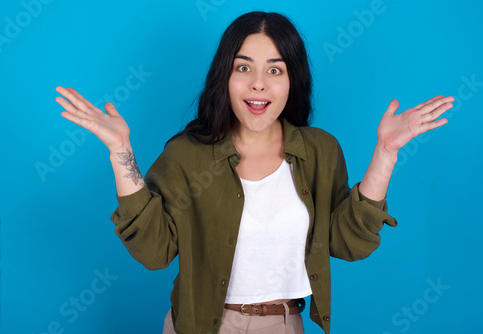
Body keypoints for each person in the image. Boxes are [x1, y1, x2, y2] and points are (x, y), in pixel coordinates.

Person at [55, 11, 454, 334]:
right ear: (224, 77)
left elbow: (349, 244)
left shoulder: (320, 151)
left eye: (275, 70)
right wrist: (120, 152)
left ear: (292, 79)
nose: (258, 85)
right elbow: (155, 252)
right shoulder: (186, 156)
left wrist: (385, 153)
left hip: (284, 323)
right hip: (200, 326)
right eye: (243, 68)